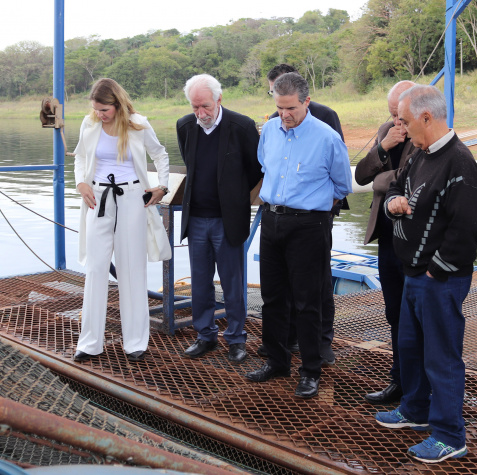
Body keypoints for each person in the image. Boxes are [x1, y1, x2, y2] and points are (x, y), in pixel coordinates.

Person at [374, 85, 477, 464]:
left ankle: (450, 436)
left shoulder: (460, 163)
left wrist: (436, 271)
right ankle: (415, 409)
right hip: (413, 274)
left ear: (426, 117)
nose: (401, 128)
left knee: (441, 357)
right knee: (410, 347)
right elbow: (396, 186)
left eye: (405, 121)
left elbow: (466, 229)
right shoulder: (419, 153)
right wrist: (393, 203)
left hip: (439, 280)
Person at [244, 72, 352, 399]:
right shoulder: (269, 131)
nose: (284, 114)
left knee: (307, 302)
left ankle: (310, 371)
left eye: (291, 108)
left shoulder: (327, 137)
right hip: (272, 220)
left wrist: (311, 209)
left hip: (308, 225)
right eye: (279, 107)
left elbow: (342, 186)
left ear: (307, 102)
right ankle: (277, 362)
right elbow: (265, 166)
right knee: (273, 297)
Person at [72, 78, 171, 363]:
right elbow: (80, 157)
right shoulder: (89, 124)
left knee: (132, 269)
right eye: (96, 109)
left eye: (104, 109)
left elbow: (160, 154)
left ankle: (136, 343)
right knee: (96, 268)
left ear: (117, 104)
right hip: (98, 199)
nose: (99, 114)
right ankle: (90, 343)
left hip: (131, 199)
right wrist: (81, 183)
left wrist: (162, 186)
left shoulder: (138, 124)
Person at [176, 74, 261, 363]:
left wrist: (234, 195)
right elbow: (190, 164)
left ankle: (236, 339)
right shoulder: (185, 126)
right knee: (200, 283)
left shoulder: (242, 126)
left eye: (205, 106)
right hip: (196, 219)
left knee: (232, 283)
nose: (201, 114)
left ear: (219, 99)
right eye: (195, 107)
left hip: (228, 219)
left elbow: (255, 169)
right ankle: (205, 335)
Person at [354, 80, 416, 405]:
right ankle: (398, 380)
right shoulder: (385, 130)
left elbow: (414, 180)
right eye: (392, 115)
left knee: (414, 316)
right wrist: (382, 148)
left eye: (401, 116)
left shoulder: (426, 134)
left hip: (414, 239)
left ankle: (417, 388)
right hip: (387, 237)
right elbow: (361, 176)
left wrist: (382, 181)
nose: (396, 122)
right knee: (393, 312)